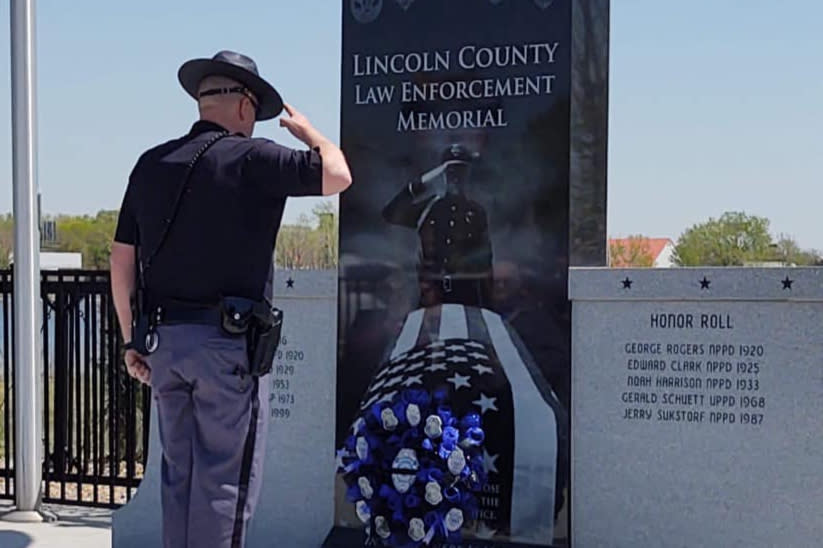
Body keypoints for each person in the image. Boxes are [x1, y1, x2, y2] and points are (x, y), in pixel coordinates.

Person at [109, 50, 352, 548]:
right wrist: (309, 134)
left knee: (179, 479)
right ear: (244, 105)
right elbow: (338, 174)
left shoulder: (150, 164)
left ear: (201, 102)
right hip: (227, 350)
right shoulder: (254, 158)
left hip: (165, 348)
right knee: (225, 485)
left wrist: (131, 340)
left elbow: (120, 261)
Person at [382, 143, 494, 308]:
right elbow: (390, 214)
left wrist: (487, 299)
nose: (456, 176)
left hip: (468, 291)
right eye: (451, 171)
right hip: (432, 291)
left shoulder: (476, 211)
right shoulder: (429, 208)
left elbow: (486, 258)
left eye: (461, 170)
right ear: (442, 173)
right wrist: (421, 183)